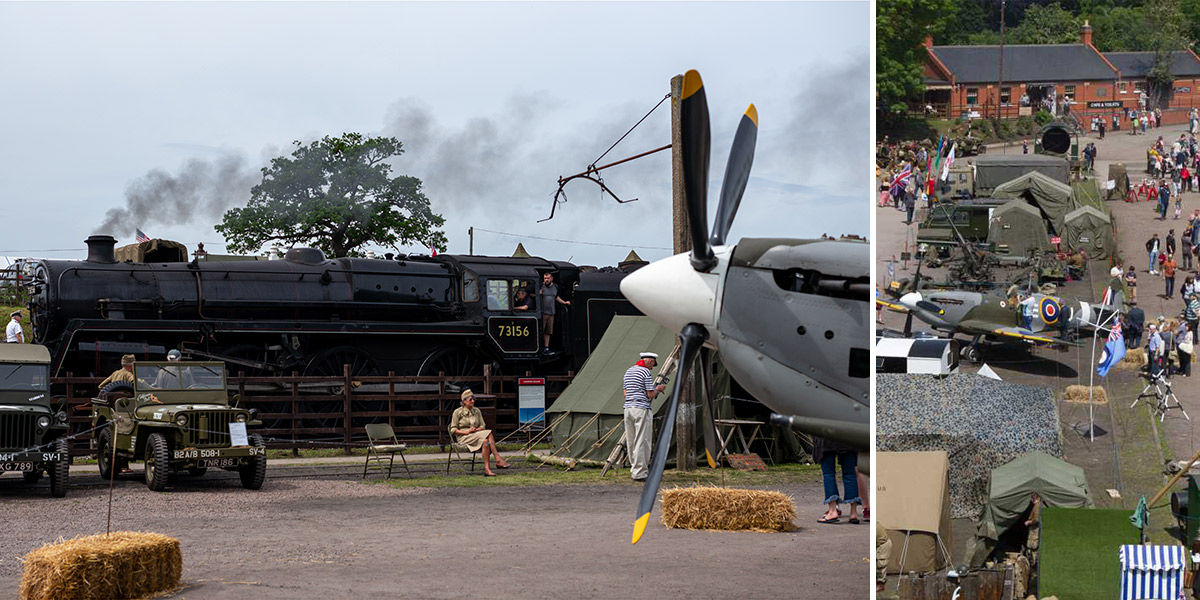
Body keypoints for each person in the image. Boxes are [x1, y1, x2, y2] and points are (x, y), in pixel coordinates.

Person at [623, 351, 667, 483]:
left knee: (631, 440)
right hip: (641, 409)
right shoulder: (645, 372)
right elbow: (650, 394)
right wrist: (659, 388)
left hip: (628, 408)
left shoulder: (629, 371)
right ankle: (640, 473)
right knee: (642, 440)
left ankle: (634, 469)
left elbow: (626, 393)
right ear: (651, 361)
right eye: (653, 364)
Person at [449, 389, 510, 477]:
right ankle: (498, 459)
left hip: (476, 435)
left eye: (474, 399)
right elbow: (453, 430)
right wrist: (467, 432)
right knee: (489, 433)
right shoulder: (457, 412)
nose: (473, 401)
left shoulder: (477, 411)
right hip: (464, 437)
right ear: (464, 401)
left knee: (485, 442)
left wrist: (476, 430)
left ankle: (487, 469)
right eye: (470, 399)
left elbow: (483, 425)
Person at [814, 435, 861, 524]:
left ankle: (832, 511)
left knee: (828, 473)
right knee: (850, 474)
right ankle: (853, 513)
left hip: (825, 434)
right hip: (847, 434)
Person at [539, 272, 570, 353]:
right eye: (545, 278)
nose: (546, 280)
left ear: (551, 278)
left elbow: (556, 297)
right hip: (542, 313)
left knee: (548, 331)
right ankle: (540, 347)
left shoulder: (555, 287)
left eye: (548, 278)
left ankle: (546, 347)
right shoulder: (540, 286)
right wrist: (538, 294)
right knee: (540, 330)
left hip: (551, 312)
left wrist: (564, 302)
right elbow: (532, 295)